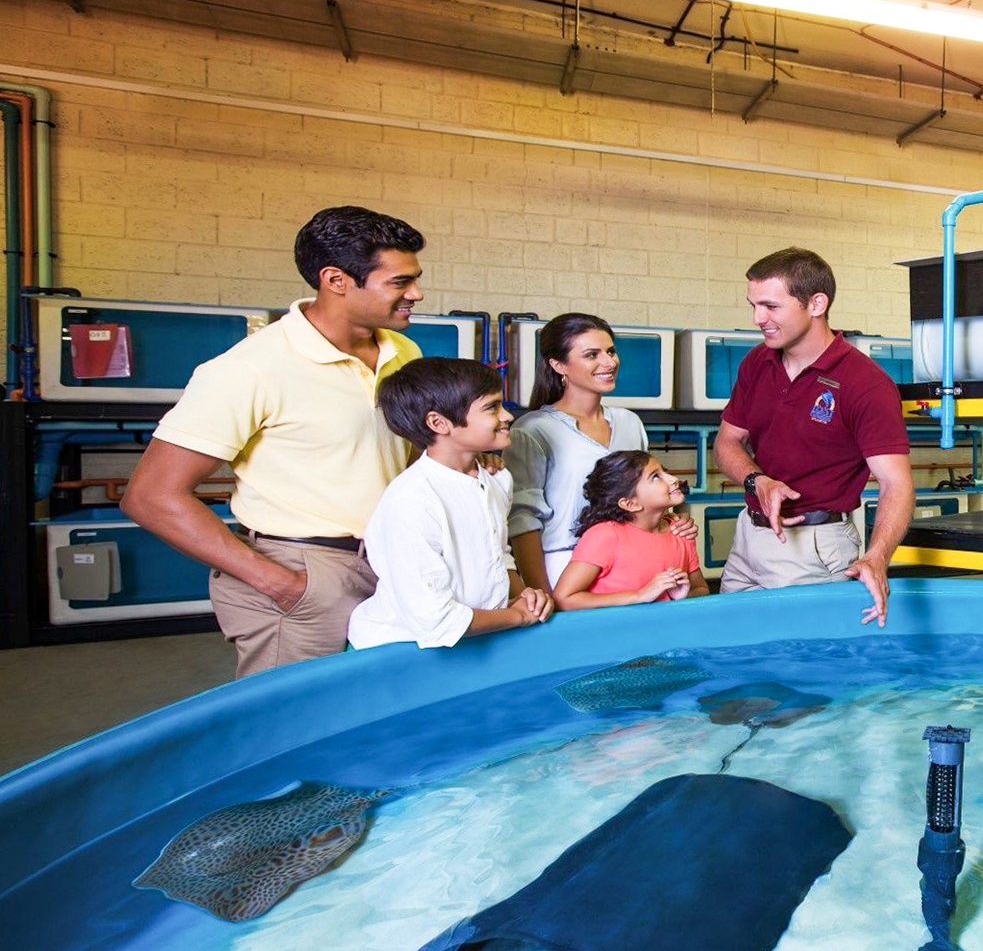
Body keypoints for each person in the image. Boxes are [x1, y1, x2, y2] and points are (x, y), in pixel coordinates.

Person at [121, 206, 428, 677]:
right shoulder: (250, 368)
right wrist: (281, 584)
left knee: (374, 714)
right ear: (336, 279)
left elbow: (402, 455)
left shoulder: (403, 352)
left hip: (390, 561)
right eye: (400, 282)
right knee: (301, 729)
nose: (417, 294)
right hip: (304, 570)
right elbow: (151, 496)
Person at [712, 247, 914, 626]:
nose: (758, 318)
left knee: (801, 669)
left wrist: (876, 556)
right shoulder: (756, 363)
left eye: (771, 306)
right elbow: (726, 442)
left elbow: (896, 485)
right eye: (753, 306)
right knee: (733, 649)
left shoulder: (866, 384)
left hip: (814, 544)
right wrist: (758, 481)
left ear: (816, 303)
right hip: (747, 538)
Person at [347, 358, 554, 649]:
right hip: (400, 651)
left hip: (478, 639)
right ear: (439, 423)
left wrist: (524, 597)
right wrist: (516, 616)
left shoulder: (497, 478)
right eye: (492, 407)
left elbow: (497, 552)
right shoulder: (411, 501)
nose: (507, 416)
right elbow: (437, 621)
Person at [504, 313, 694, 594]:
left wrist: (674, 523)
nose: (609, 362)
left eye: (611, 351)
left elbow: (645, 495)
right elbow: (523, 521)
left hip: (634, 565)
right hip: (566, 568)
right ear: (558, 365)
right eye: (591, 354)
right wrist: (542, 594)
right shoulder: (533, 430)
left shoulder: (629, 423)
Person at [552, 450, 709, 610]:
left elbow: (702, 589)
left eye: (664, 471)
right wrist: (640, 596)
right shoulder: (605, 535)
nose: (674, 479)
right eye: (656, 476)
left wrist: (680, 596)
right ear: (630, 504)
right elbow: (563, 599)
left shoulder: (681, 530)